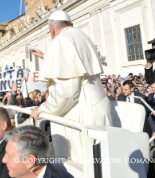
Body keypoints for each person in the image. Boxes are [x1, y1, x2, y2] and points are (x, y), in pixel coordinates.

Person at [30, 10, 112, 164]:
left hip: (82, 115)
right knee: (104, 164)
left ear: (52, 29)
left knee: (83, 166)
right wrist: (45, 56)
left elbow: (67, 92)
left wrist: (42, 109)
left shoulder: (60, 40)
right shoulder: (81, 35)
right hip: (98, 107)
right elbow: (74, 63)